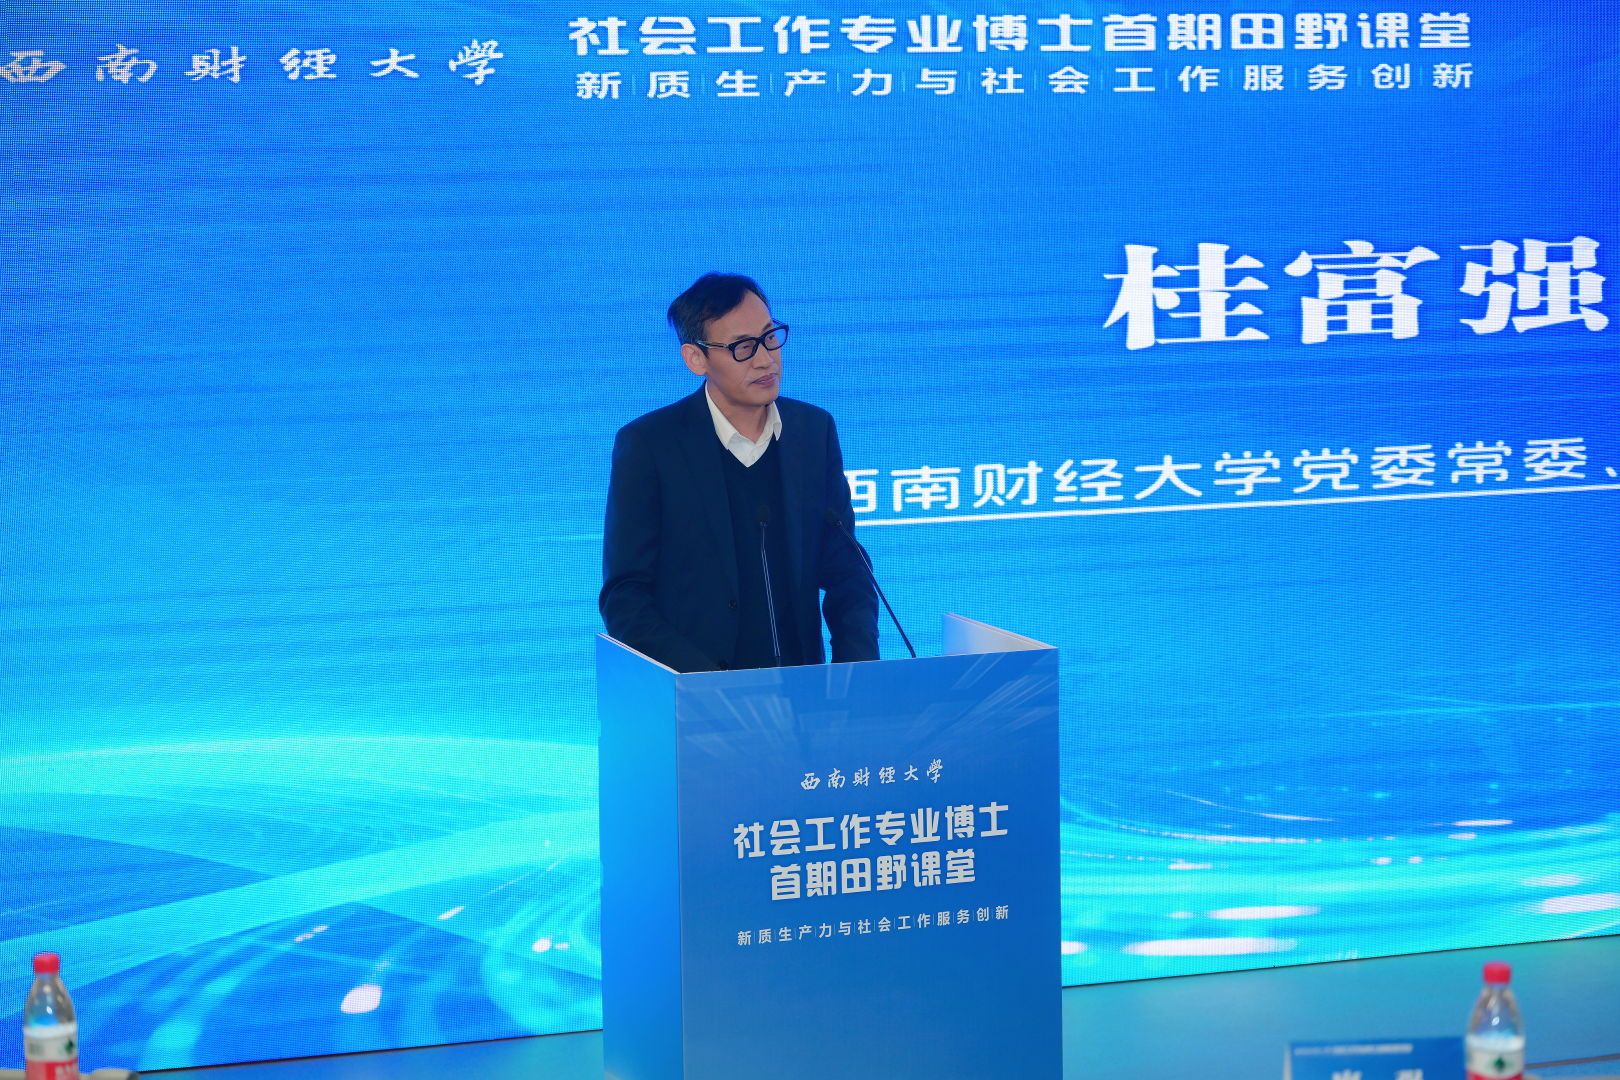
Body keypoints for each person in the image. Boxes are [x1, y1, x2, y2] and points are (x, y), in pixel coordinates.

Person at [600, 273, 879, 672]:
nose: (765, 359)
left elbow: (847, 569)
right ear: (696, 359)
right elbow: (625, 597)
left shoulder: (812, 432)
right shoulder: (650, 445)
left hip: (801, 688)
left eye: (770, 337)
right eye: (743, 347)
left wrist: (857, 673)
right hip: (698, 694)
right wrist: (708, 686)